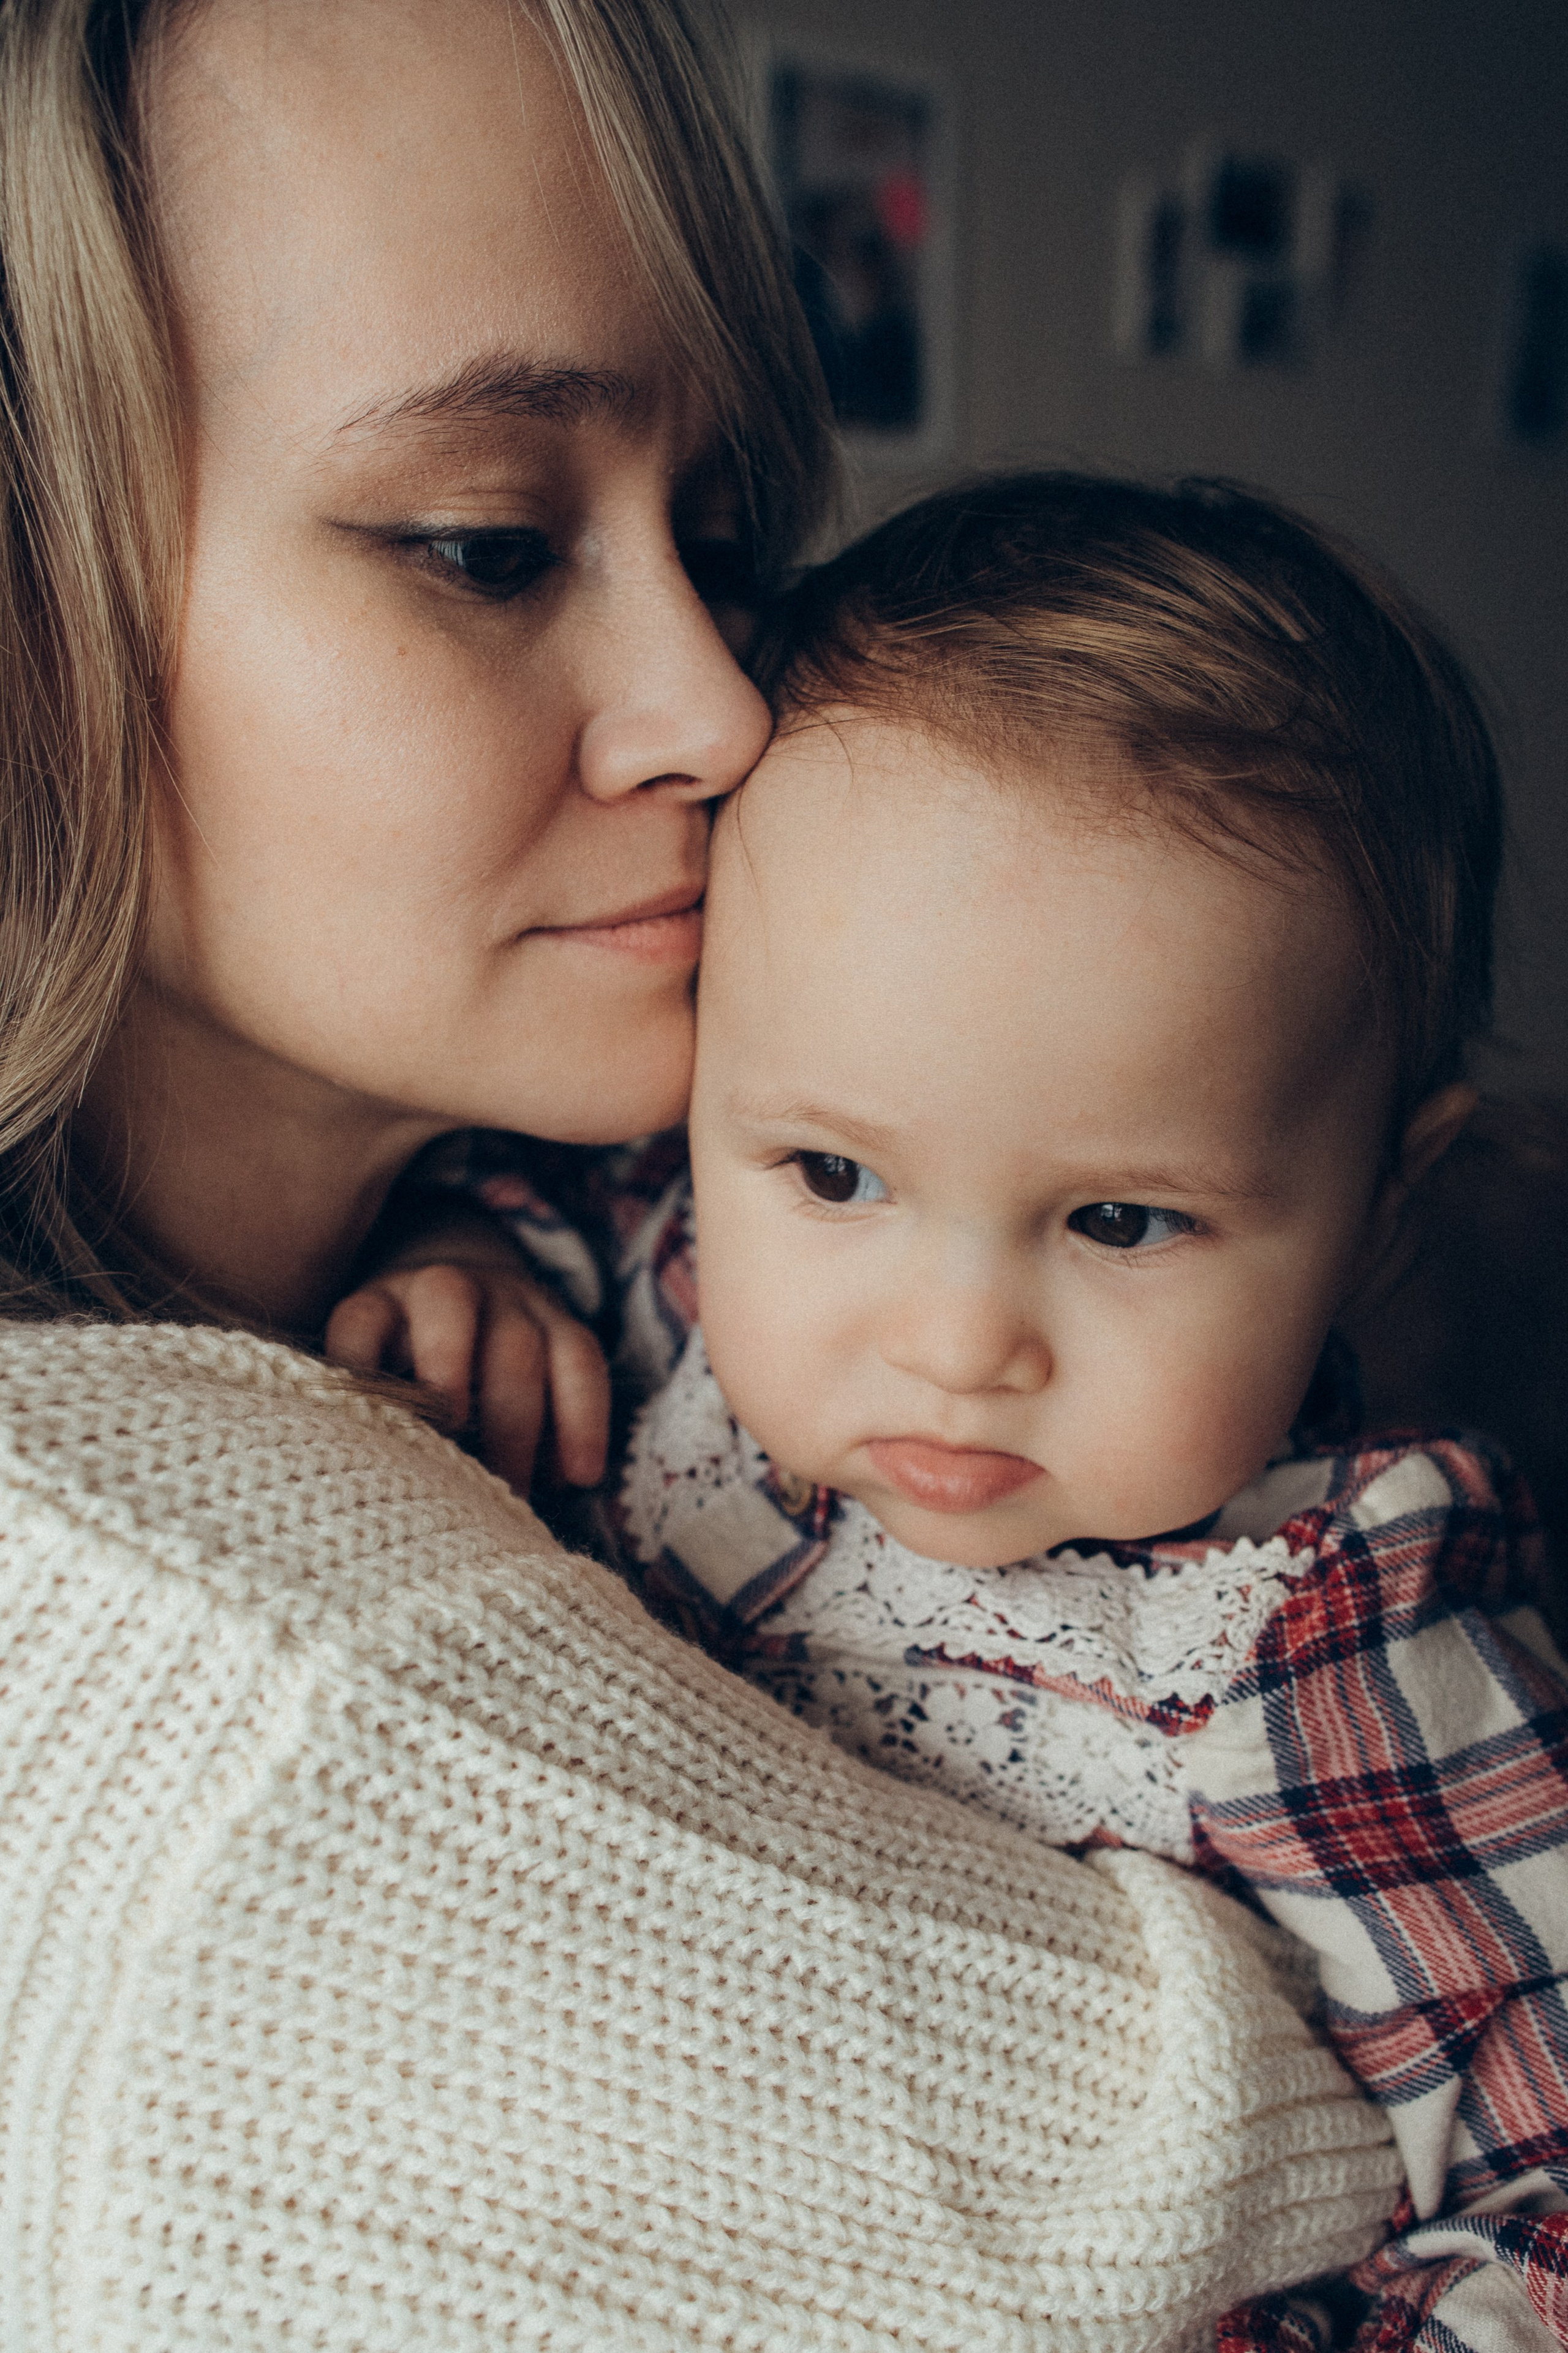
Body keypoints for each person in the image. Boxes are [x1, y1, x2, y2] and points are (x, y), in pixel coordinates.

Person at [0, 4, 1411, 2344]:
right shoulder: (202, 1657)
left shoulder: (623, 1242)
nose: (727, 705)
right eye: (484, 541)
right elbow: (1293, 2164)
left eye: (734, 531)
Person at [377, 476, 1568, 2349]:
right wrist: (466, 1250)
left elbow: (1542, 2155)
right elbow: (527, 1192)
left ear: (1378, 1216)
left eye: (1118, 1218)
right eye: (836, 1172)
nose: (949, 1339)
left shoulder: (1339, 1629)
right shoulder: (679, 1289)